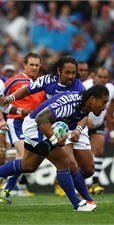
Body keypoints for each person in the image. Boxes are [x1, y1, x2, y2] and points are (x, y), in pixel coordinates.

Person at [0, 55, 96, 205]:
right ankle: (84, 201)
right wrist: (11, 98)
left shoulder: (79, 87)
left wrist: (78, 129)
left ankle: (81, 196)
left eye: (74, 73)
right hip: (47, 126)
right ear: (59, 71)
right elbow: (27, 90)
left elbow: (84, 112)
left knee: (29, 166)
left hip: (72, 126)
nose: (71, 76)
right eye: (68, 72)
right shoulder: (48, 80)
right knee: (66, 162)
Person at [0, 84, 109, 211]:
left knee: (28, 165)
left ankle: (88, 200)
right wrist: (54, 141)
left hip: (43, 127)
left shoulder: (84, 105)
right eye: (103, 102)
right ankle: (77, 204)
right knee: (63, 162)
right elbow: (41, 118)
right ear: (92, 99)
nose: (104, 107)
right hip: (35, 127)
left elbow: (83, 115)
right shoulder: (69, 104)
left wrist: (78, 130)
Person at [1, 52, 46, 197]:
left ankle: (7, 190)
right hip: (17, 121)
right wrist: (1, 120)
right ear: (24, 65)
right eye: (31, 65)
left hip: (34, 125)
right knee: (24, 156)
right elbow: (1, 102)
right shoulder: (13, 82)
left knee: (23, 160)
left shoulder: (42, 83)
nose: (34, 68)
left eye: (36, 65)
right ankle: (8, 189)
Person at [82, 67, 114, 195]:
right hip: (81, 124)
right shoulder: (84, 87)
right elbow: (77, 105)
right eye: (100, 76)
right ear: (93, 76)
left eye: (105, 77)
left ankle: (94, 183)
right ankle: (80, 184)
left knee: (99, 151)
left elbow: (113, 101)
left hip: (97, 125)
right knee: (80, 156)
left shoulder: (111, 89)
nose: (102, 79)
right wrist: (85, 119)